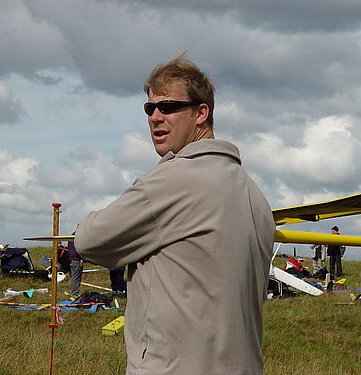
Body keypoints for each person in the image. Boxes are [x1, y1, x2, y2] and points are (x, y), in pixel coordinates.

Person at [75, 53, 275, 374]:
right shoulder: (256, 198)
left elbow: (89, 240)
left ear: (201, 113)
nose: (156, 116)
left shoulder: (173, 179)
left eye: (168, 107)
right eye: (149, 108)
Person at [67, 231, 83, 298]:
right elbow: (79, 249)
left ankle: (73, 291)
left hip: (72, 259)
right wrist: (81, 258)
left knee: (74, 276)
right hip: (77, 260)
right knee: (76, 277)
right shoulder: (78, 237)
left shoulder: (72, 236)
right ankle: (74, 292)